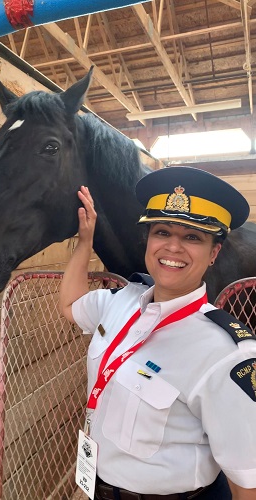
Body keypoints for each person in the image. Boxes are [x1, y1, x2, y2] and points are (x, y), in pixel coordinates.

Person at [59, 166, 256, 500]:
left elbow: (246, 481)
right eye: (162, 232)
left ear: (214, 253)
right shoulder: (121, 301)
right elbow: (71, 305)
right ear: (148, 241)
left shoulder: (227, 353)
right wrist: (85, 242)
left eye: (193, 237)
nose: (173, 247)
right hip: (97, 486)